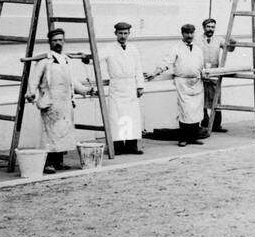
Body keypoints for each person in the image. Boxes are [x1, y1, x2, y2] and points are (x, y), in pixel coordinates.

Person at [25, 27, 93, 173]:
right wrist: (31, 93)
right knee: (50, 134)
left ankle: (58, 162)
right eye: (55, 40)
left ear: (64, 41)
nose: (58, 43)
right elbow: (34, 79)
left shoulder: (66, 60)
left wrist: (84, 90)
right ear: (50, 42)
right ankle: (48, 163)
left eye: (60, 40)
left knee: (63, 132)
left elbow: (71, 81)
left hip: (65, 102)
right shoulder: (44, 61)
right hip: (51, 101)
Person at [147, 23, 207, 147]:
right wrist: (156, 72)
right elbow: (167, 62)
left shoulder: (198, 49)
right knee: (185, 111)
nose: (189, 35)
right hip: (183, 83)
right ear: (182, 34)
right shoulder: (176, 48)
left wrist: (204, 74)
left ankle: (193, 137)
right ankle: (183, 138)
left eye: (191, 33)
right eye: (187, 33)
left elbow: (202, 65)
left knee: (196, 111)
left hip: (197, 82)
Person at [100, 21, 144, 156]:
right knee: (116, 117)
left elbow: (138, 68)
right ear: (115, 33)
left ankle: (131, 146)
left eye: (125, 33)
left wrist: (140, 85)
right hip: (117, 87)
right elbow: (97, 57)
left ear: (129, 33)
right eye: (120, 33)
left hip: (130, 87)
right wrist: (86, 58)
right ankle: (117, 147)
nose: (123, 36)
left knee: (131, 117)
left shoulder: (133, 49)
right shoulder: (109, 48)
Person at [199, 16, 235, 136]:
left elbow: (228, 49)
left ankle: (217, 125)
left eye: (213, 27)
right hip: (201, 73)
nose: (210, 29)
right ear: (204, 27)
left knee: (216, 98)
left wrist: (233, 43)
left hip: (215, 72)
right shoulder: (197, 40)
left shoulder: (218, 39)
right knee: (202, 99)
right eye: (208, 27)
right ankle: (204, 123)